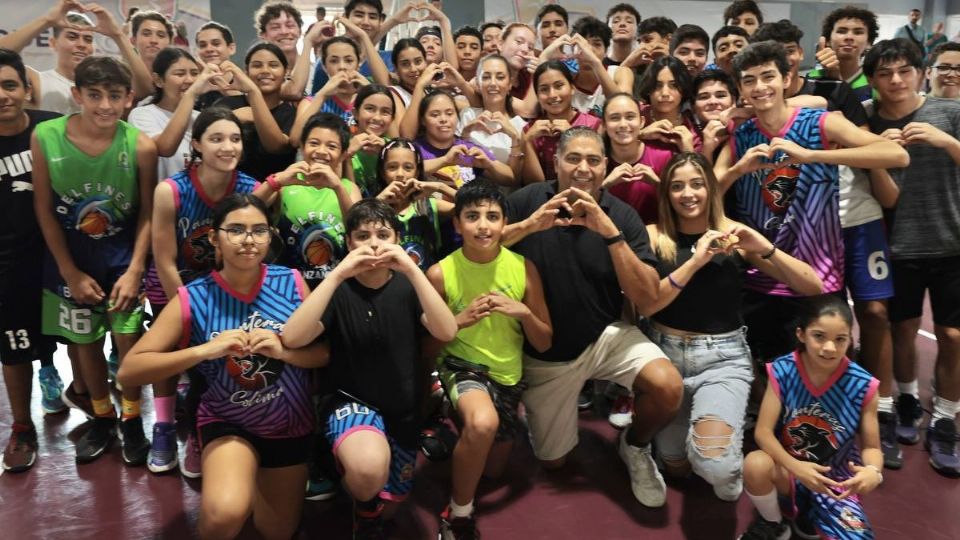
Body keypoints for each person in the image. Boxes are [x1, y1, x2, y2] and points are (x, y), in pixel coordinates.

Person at [119, 194, 328, 540]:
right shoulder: (193, 297)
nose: (248, 239)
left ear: (270, 236)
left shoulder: (291, 283)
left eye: (259, 230)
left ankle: (260, 486)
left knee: (276, 531)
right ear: (215, 238)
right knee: (225, 513)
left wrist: (285, 352)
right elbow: (130, 370)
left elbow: (324, 354)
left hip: (291, 424)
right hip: (229, 421)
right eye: (236, 230)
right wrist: (204, 350)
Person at [503, 127, 683, 508]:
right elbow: (480, 245)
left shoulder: (622, 215)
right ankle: (546, 417)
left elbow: (648, 299)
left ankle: (633, 445)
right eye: (573, 158)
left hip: (606, 335)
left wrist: (610, 233)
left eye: (593, 160)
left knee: (668, 387)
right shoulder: (525, 201)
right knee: (553, 463)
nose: (583, 168)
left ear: (606, 166)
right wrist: (529, 226)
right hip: (548, 351)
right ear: (556, 163)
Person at [714, 41, 908, 373]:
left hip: (820, 276)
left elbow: (896, 154)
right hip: (763, 275)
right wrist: (736, 170)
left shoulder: (820, 122)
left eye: (767, 76)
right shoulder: (740, 136)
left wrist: (813, 155)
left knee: (821, 372)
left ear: (786, 78)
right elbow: (706, 195)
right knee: (768, 372)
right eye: (749, 80)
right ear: (740, 88)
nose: (760, 87)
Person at [644, 152, 822, 502]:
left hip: (722, 358)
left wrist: (764, 248)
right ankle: (687, 450)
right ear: (666, 194)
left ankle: (730, 469)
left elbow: (811, 285)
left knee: (714, 466)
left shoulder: (734, 235)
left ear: (711, 188)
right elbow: (647, 304)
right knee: (674, 463)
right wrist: (695, 262)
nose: (688, 194)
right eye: (677, 186)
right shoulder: (654, 236)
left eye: (697, 184)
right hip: (664, 359)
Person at [281, 199, 457, 538]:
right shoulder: (338, 288)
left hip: (402, 411)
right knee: (366, 473)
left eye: (383, 234)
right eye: (362, 236)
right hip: (350, 400)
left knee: (388, 506)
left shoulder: (409, 286)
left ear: (397, 239)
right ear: (349, 243)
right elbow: (292, 337)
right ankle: (360, 509)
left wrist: (410, 269)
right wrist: (337, 275)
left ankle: (363, 495)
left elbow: (446, 331)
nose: (374, 243)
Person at [32, 56, 158, 465]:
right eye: (95, 95)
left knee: (127, 338)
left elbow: (147, 212)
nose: (105, 105)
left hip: (122, 255)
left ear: (128, 98)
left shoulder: (140, 144)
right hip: (71, 257)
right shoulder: (46, 136)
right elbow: (44, 209)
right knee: (83, 339)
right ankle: (102, 416)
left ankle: (134, 418)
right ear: (76, 95)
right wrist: (69, 270)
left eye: (115, 96)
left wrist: (137, 267)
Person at [425, 181, 550, 538]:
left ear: (504, 223)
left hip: (508, 377)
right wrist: (456, 323)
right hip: (461, 367)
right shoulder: (440, 274)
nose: (483, 225)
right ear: (457, 224)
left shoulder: (524, 269)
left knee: (493, 469)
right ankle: (458, 515)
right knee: (482, 424)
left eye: (492, 217)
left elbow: (543, 341)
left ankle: (451, 410)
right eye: (472, 216)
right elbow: (424, 349)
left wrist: (524, 313)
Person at [864, 38, 960, 476]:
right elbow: (886, 194)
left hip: (951, 243)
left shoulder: (949, 113)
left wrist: (947, 143)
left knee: (953, 336)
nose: (896, 81)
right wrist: (876, 154)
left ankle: (944, 418)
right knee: (901, 329)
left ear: (922, 72)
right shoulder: (867, 118)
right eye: (884, 74)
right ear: (873, 80)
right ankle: (905, 399)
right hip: (897, 246)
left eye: (904, 70)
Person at [147, 108, 258, 475]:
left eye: (235, 139)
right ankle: (163, 425)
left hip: (221, 288)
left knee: (214, 361)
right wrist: (188, 311)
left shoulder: (249, 189)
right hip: (174, 285)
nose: (227, 147)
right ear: (196, 144)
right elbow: (163, 259)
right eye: (216, 139)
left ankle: (200, 432)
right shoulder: (171, 191)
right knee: (165, 349)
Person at [738, 296, 882, 540]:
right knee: (755, 464)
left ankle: (808, 512)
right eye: (819, 336)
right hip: (788, 470)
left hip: (835, 481)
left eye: (840, 339)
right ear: (801, 334)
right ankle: (773, 523)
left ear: (850, 339)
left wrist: (873, 472)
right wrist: (797, 468)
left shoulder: (864, 385)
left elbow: (871, 446)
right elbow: (763, 432)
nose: (830, 348)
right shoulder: (783, 370)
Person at [0, 49, 65, 473]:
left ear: (27, 89)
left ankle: (97, 408)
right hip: (8, 265)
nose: (3, 96)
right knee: (14, 350)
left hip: (63, 255)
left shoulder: (53, 129)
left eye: (9, 85)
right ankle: (23, 425)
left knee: (83, 338)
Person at [0, 0, 153, 113]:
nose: (81, 44)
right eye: (72, 37)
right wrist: (47, 20)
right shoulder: (37, 81)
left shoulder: (106, 86)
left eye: (88, 39)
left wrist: (118, 35)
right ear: (53, 43)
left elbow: (146, 89)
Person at [214, 42, 299, 183]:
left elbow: (277, 147)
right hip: (227, 191)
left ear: (286, 71)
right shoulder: (226, 105)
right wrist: (233, 118)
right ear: (246, 72)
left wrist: (253, 95)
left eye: (273, 65)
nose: (265, 70)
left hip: (275, 195)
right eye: (257, 65)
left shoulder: (292, 114)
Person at [375, 138, 454, 270]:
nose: (400, 174)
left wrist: (441, 187)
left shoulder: (428, 204)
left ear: (417, 172)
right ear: (382, 172)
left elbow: (471, 206)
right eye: (392, 167)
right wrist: (378, 201)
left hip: (425, 283)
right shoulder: (374, 205)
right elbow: (354, 226)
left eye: (408, 167)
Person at [411, 90, 514, 188]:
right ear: (423, 120)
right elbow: (408, 171)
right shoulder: (414, 149)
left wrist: (489, 165)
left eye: (449, 113)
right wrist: (445, 160)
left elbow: (510, 179)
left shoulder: (467, 148)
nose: (443, 119)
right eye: (435, 115)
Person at [521, 61, 602, 184]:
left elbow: (597, 175)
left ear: (572, 88)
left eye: (559, 86)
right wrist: (527, 141)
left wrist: (572, 135)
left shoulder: (594, 125)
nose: (552, 95)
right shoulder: (530, 131)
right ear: (537, 96)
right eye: (544, 89)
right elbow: (534, 184)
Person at [600, 93, 671, 224]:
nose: (623, 124)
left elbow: (679, 207)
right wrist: (606, 185)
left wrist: (657, 184)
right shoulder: (596, 162)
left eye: (630, 117)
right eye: (615, 118)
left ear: (642, 122)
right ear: (604, 124)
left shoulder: (664, 157)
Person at [456, 54, 527, 177]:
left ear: (510, 84)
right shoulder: (468, 115)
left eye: (500, 77)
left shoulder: (521, 126)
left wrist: (515, 138)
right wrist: (465, 135)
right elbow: (458, 167)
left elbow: (516, 179)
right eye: (486, 77)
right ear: (478, 83)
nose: (493, 83)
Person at [806, 6, 880, 103]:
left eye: (858, 32)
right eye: (841, 31)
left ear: (869, 42)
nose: (849, 37)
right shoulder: (811, 78)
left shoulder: (874, 82)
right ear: (828, 40)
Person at [634, 56, 700, 155]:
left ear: (683, 88)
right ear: (648, 88)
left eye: (673, 85)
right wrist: (640, 135)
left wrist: (688, 151)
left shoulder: (692, 134)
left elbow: (699, 170)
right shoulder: (634, 114)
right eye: (658, 85)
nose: (665, 93)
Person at [344, 84, 398, 197]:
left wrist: (388, 154)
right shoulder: (341, 147)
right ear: (355, 113)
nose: (377, 117)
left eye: (385, 112)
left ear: (392, 118)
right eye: (370, 109)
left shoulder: (394, 148)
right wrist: (346, 155)